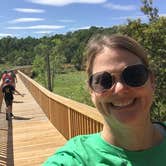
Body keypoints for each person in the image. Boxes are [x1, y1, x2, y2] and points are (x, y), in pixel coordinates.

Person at [43, 34, 166, 165]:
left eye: (134, 75)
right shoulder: (77, 159)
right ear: (91, 90)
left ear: (152, 81)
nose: (119, 88)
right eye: (104, 80)